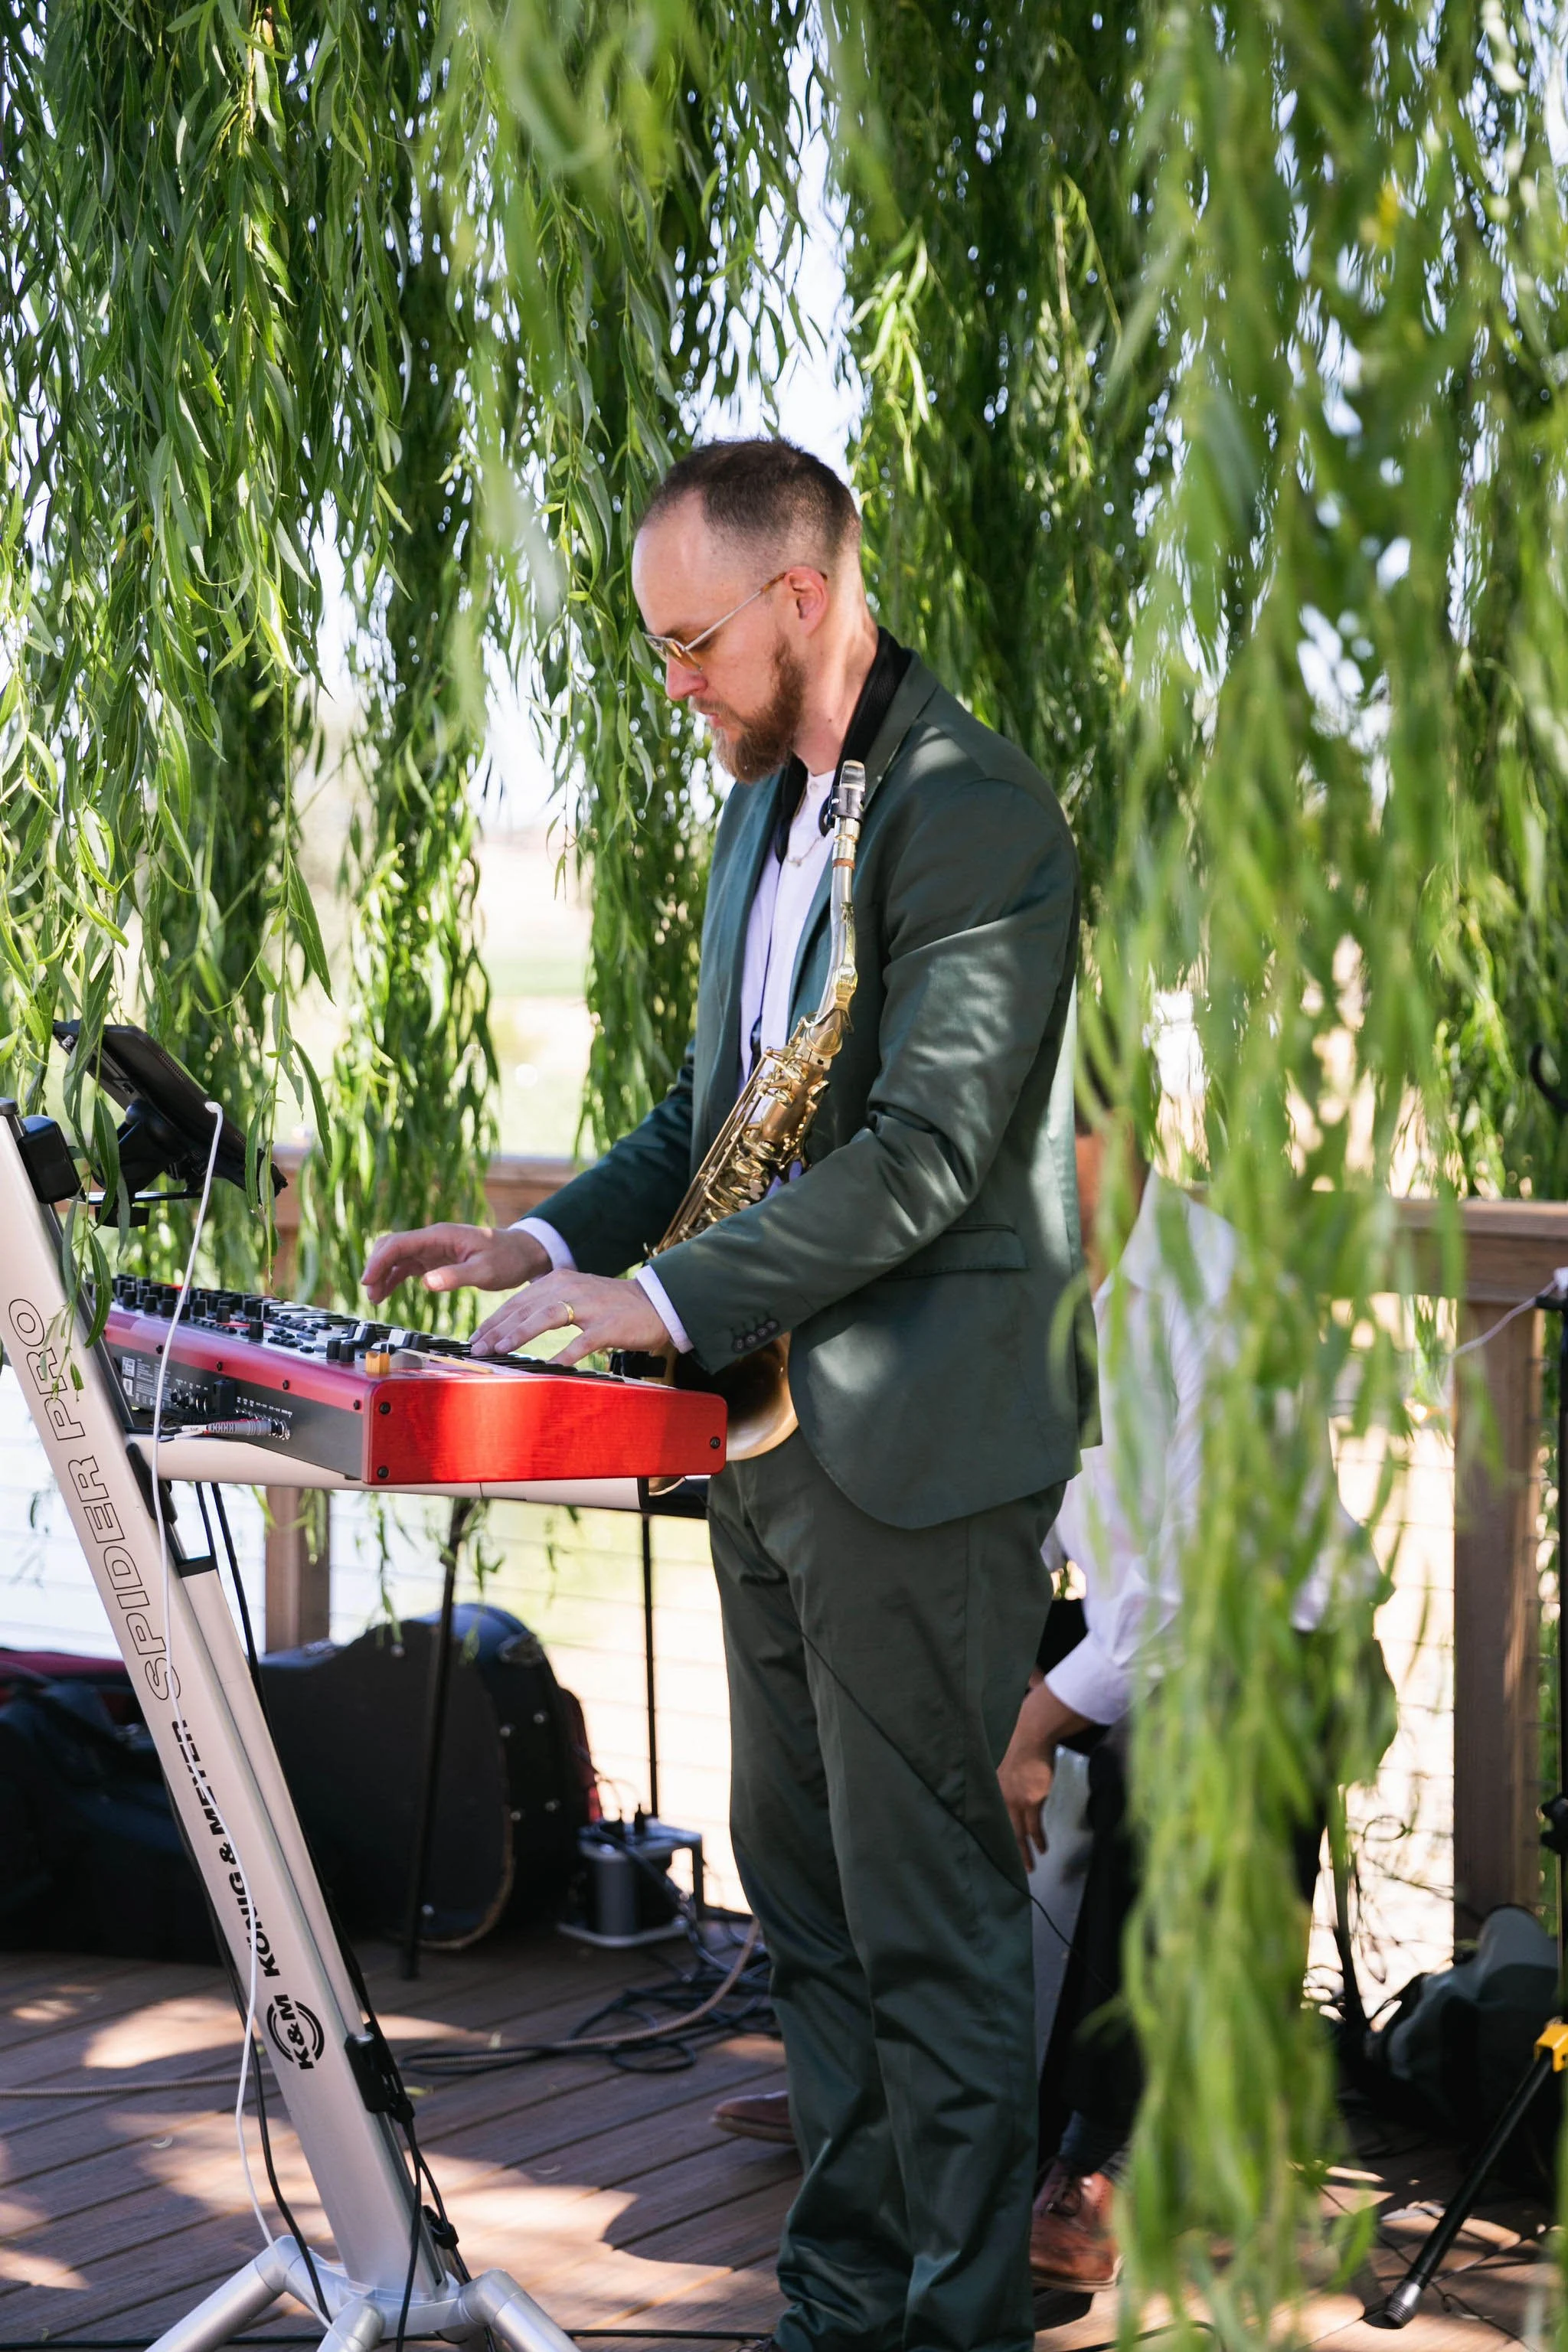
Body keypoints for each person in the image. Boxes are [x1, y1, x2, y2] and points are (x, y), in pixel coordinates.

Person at [362, 438, 1099, 2352]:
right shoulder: (763, 815)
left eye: (691, 642)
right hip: (766, 1455)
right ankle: (840, 2306)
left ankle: (953, 2328)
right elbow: (713, 1117)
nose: (669, 682)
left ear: (803, 596)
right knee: (815, 1926)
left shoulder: (974, 813)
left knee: (932, 1935)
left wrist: (665, 1294)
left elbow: (931, 1152)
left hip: (916, 1465)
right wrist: (532, 1254)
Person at [997, 1099, 1390, 2296]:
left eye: (1052, 1141)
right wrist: (1001, 1656)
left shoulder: (1215, 1296)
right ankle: (909, 2065)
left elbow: (1174, 1603)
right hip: (1146, 1626)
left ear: (1122, 1135)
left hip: (1277, 1647)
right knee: (915, 1656)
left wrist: (1029, 1725)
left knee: (1169, 1754)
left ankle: (1096, 2155)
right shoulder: (1041, 1288)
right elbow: (1026, 1524)